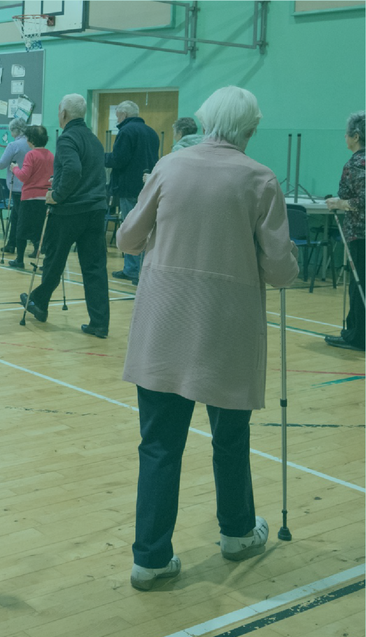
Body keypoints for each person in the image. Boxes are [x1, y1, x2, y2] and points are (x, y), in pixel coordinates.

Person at [117, 86, 299, 590]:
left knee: (159, 446)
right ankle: (238, 533)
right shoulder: (260, 179)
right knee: (231, 439)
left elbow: (128, 238)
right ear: (250, 129)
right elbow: (280, 271)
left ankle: (150, 559)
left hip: (165, 324)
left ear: (204, 120)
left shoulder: (170, 167)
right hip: (227, 329)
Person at [21, 93, 111, 338]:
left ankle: (39, 303)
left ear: (63, 114)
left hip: (70, 211)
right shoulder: (94, 139)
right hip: (95, 209)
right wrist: (59, 180)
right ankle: (99, 323)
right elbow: (85, 172)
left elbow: (73, 169)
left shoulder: (67, 138)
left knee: (54, 261)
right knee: (94, 268)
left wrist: (57, 194)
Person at [324, 111, 365, 352]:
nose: (345, 137)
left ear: (356, 136)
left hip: (361, 234)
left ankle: (358, 337)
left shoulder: (357, 163)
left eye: (347, 133)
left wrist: (339, 203)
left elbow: (363, 200)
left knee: (359, 286)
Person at [106, 101, 159, 285]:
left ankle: (134, 270)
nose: (116, 119)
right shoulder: (151, 132)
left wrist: (101, 157)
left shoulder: (126, 132)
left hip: (129, 187)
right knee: (145, 228)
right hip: (148, 186)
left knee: (131, 228)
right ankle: (136, 269)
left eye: (117, 116)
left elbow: (119, 159)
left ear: (124, 115)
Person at [6, 125, 53, 271]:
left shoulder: (31, 155)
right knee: (42, 230)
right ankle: (46, 262)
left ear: (31, 140)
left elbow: (24, 176)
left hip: (30, 198)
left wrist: (14, 168)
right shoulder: (51, 155)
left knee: (22, 229)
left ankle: (19, 259)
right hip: (45, 198)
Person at [0, 117, 31, 255]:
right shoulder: (31, 143)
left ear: (15, 130)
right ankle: (11, 243)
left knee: (19, 218)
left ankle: (22, 246)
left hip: (17, 186)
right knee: (17, 217)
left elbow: (1, 164)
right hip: (30, 186)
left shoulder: (14, 145)